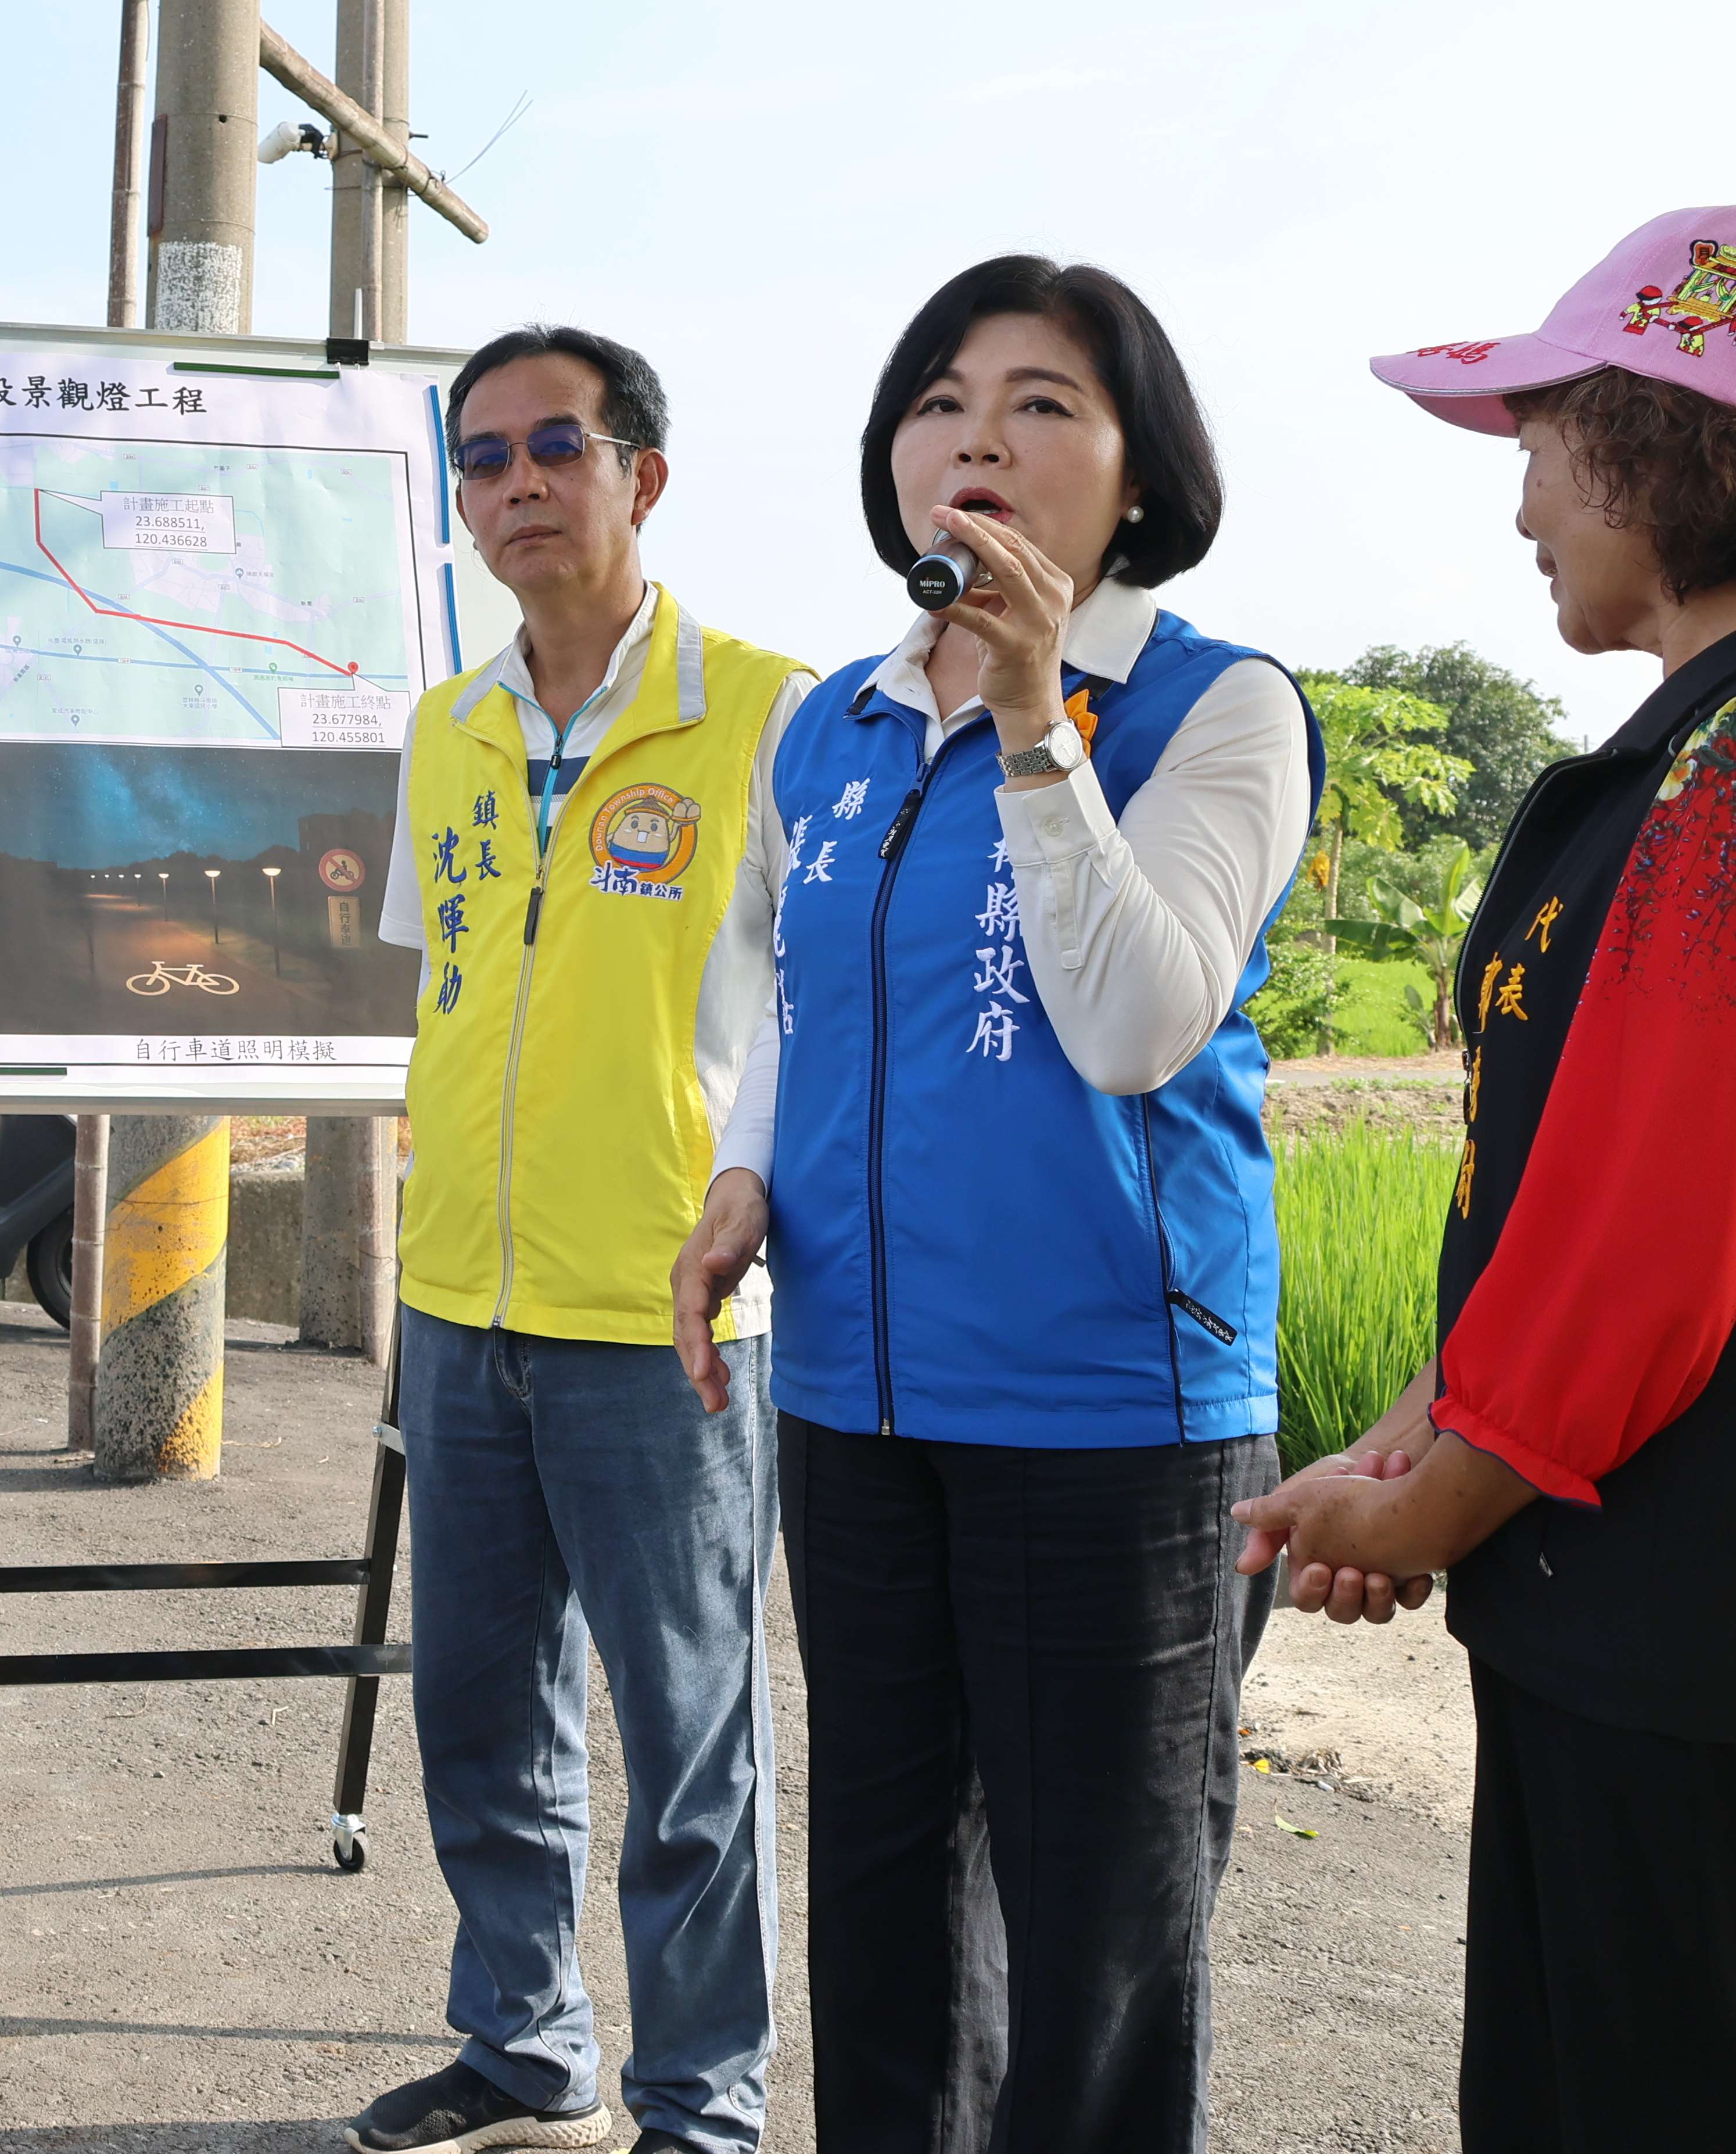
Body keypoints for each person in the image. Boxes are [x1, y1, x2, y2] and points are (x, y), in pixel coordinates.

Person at [1242, 207, 1736, 2151]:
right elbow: (1565, 1193)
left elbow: (1653, 1238)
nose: (1526, 506)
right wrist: (1417, 1450)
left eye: (1547, 441)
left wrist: (1448, 1494)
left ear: (1665, 438)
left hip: (1692, 1638)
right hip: (1659, 1607)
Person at [673, 256, 1321, 2151]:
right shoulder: (830, 729)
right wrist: (738, 1180)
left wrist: (1041, 717)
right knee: (883, 1894)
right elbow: (793, 998)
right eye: (942, 398)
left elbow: (1131, 1023)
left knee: (1099, 1930)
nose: (979, 436)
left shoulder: (1216, 709)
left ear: (1139, 474)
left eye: (1044, 402)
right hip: (861, 1399)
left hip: (1109, 1418)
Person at [349, 326, 812, 2154]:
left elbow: (814, 1007)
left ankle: (699, 2104)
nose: (518, 484)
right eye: (483, 459)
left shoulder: (775, 715)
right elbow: (455, 988)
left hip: (671, 1312)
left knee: (691, 1739)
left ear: (644, 476)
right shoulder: (446, 726)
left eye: (558, 445)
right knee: (476, 1709)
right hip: (461, 1292)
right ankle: (519, 2038)